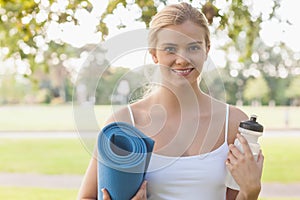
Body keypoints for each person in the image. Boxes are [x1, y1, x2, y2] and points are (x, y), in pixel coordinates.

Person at [78, 2, 264, 200]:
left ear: (207, 49)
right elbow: (87, 196)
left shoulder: (234, 123)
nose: (182, 59)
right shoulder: (124, 123)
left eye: (193, 47)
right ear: (154, 54)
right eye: (170, 49)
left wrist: (250, 192)